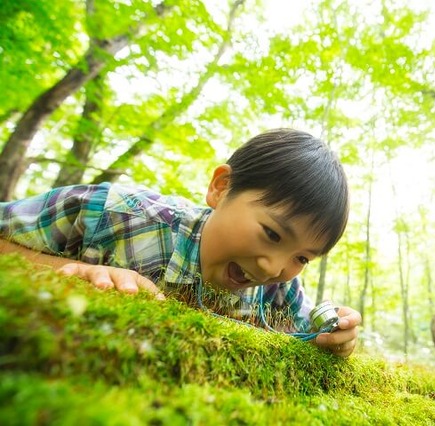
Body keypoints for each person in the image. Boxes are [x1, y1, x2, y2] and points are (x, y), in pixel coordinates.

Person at [0, 128, 361, 357]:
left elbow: (309, 333)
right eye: (271, 233)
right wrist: (66, 270)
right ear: (221, 188)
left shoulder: (280, 291)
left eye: (301, 257)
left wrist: (337, 337)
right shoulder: (112, 215)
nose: (273, 267)